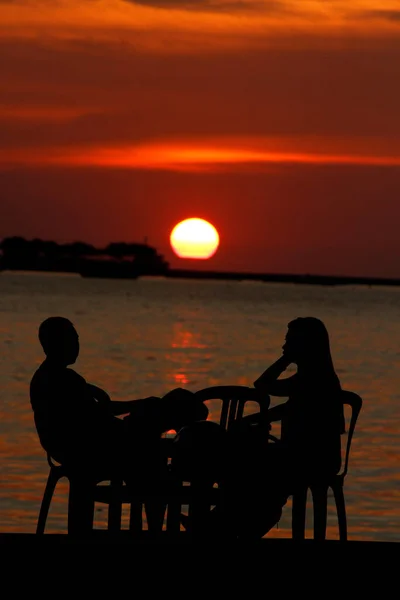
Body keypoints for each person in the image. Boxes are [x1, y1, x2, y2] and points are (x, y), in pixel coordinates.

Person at [30, 316, 208, 529]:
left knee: (154, 439)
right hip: (88, 446)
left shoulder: (50, 376)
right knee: (159, 432)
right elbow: (95, 416)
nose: (77, 344)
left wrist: (130, 410)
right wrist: (137, 407)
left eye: (77, 339)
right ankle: (162, 520)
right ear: (56, 343)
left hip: (85, 442)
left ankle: (177, 437)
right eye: (72, 339)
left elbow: (96, 412)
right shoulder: (62, 379)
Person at [254, 316, 345, 488]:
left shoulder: (314, 379)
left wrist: (285, 359)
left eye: (289, 342)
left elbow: (263, 385)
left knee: (250, 459)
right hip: (312, 456)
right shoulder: (314, 376)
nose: (284, 346)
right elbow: (287, 407)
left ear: (304, 345)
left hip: (312, 459)